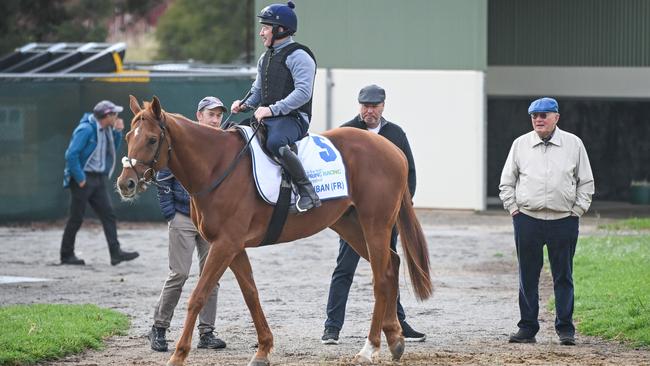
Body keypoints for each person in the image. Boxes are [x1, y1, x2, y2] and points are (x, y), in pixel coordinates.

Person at [321, 85, 425, 345]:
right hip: (351, 216)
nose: (369, 110)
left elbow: (408, 172)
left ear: (382, 106)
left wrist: (403, 204)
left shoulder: (395, 134)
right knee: (344, 268)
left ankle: (397, 321)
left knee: (388, 265)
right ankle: (332, 326)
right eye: (364, 105)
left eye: (373, 106)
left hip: (384, 215)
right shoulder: (347, 131)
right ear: (359, 106)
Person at [499, 97, 594, 346]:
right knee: (527, 276)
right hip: (527, 220)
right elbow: (507, 181)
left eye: (544, 115)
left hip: (564, 220)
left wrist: (578, 210)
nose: (539, 120)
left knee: (563, 275)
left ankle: (565, 329)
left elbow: (586, 181)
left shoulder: (573, 144)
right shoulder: (520, 145)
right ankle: (527, 328)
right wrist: (513, 209)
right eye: (534, 116)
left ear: (556, 118)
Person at [148, 97, 228, 352]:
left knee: (211, 276)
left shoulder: (224, 143)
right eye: (211, 115)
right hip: (183, 217)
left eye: (218, 115)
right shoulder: (183, 140)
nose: (215, 120)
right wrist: (171, 214)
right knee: (179, 273)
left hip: (211, 220)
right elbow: (162, 178)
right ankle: (159, 328)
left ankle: (206, 332)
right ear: (199, 116)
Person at [231, 1, 320, 213]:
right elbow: (258, 91)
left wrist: (271, 110)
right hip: (269, 117)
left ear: (280, 30)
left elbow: (302, 93)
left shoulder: (300, 56)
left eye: (265, 28)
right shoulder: (265, 57)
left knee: (275, 142)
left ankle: (307, 190)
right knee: (234, 135)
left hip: (294, 118)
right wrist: (244, 105)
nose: (261, 33)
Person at [60, 100, 139, 266]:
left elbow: (112, 151)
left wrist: (118, 132)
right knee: (76, 218)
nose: (117, 117)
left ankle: (115, 253)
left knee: (108, 215)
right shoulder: (86, 129)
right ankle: (66, 255)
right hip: (83, 178)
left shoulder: (107, 130)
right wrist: (80, 179)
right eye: (114, 114)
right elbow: (71, 155)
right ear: (106, 116)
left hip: (98, 179)